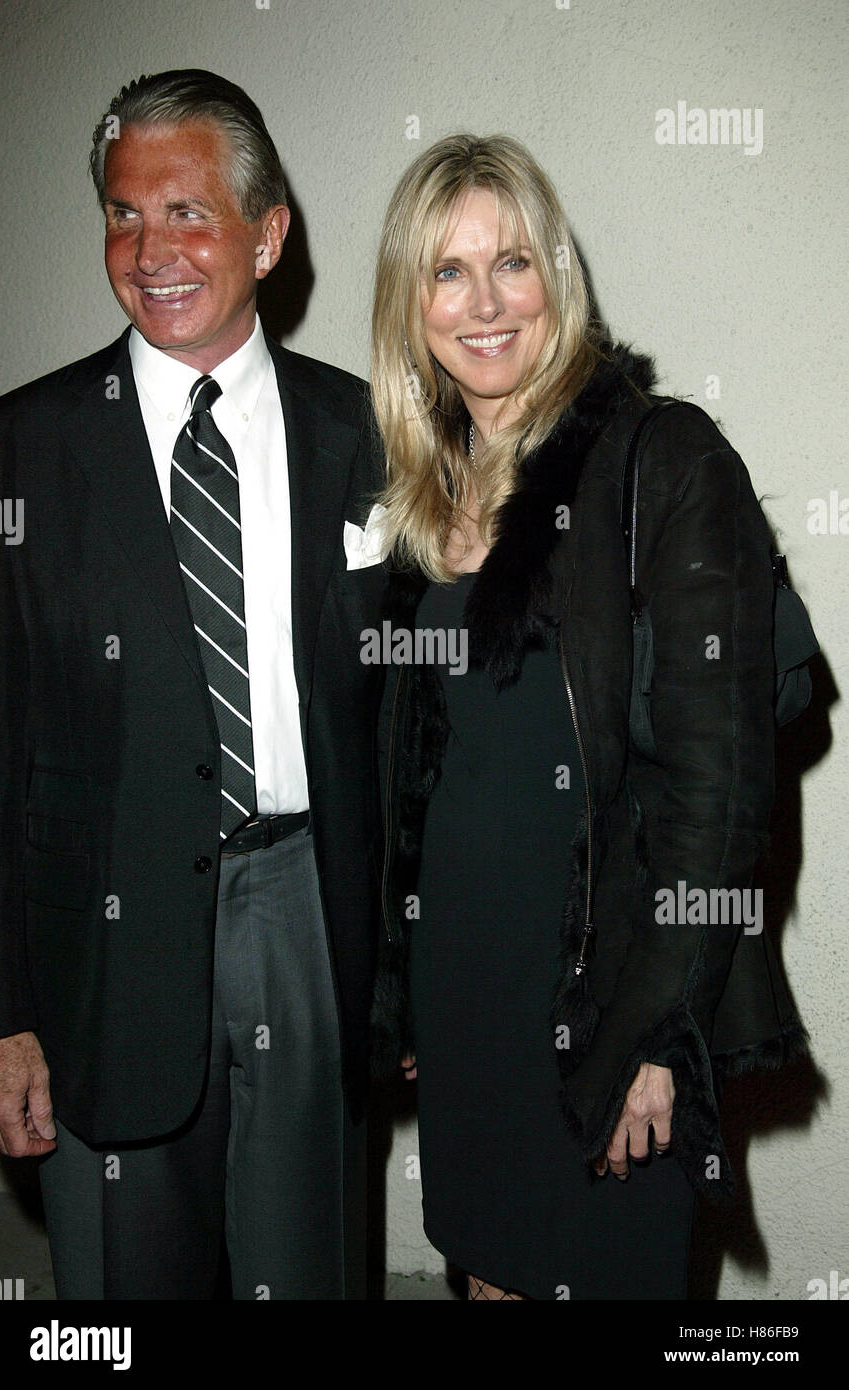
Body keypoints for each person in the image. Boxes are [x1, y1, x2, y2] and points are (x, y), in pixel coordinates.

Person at [369, 134, 809, 1301]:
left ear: (554, 279)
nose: (483, 303)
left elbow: (716, 796)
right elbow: (425, 768)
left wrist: (654, 1035)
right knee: (487, 1280)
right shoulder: (424, 494)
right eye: (446, 272)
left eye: (511, 261)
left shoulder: (662, 462)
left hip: (601, 993)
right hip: (466, 986)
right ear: (408, 306)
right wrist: (401, 979)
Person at [0, 69, 386, 1300]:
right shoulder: (15, 452)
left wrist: (406, 979)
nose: (148, 251)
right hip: (98, 944)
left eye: (186, 213)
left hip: (312, 918)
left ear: (266, 234)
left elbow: (416, 729)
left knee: (312, 1267)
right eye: (120, 214)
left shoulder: (367, 434)